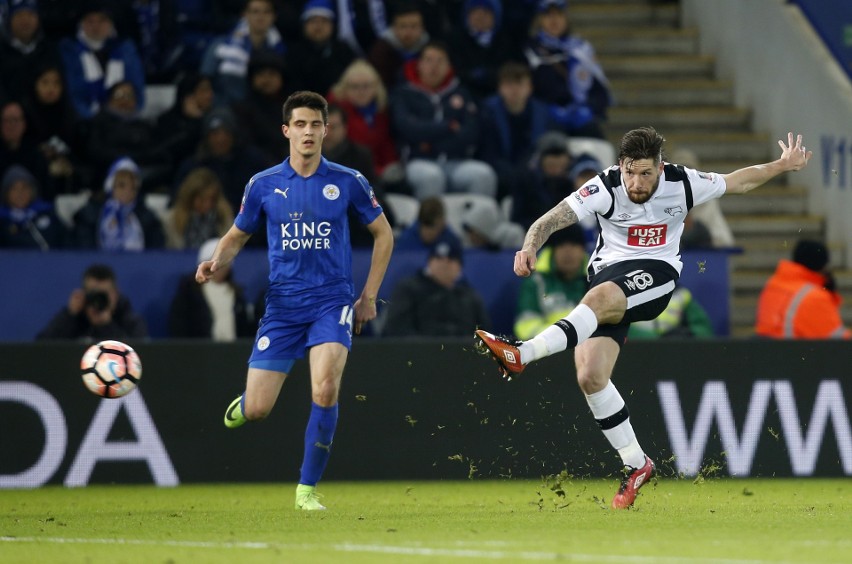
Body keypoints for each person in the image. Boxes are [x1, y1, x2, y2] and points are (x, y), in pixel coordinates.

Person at [474, 127, 812, 509]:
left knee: (598, 299)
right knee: (590, 376)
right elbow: (551, 219)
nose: (637, 183)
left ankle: (523, 354)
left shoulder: (683, 182)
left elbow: (738, 183)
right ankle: (637, 464)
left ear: (660, 168)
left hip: (656, 275)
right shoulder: (605, 185)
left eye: (646, 174)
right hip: (608, 278)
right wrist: (529, 246)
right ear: (621, 166)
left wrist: (782, 166)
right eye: (631, 172)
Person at [195, 91, 393, 511]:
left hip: (331, 302)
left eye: (315, 124)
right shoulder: (263, 184)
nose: (308, 132)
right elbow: (238, 234)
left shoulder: (348, 181)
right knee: (260, 409)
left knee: (325, 387)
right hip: (283, 308)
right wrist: (216, 261)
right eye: (299, 124)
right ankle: (246, 405)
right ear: (286, 130)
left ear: (326, 130)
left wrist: (368, 296)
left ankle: (306, 489)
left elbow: (384, 234)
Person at [390, 40, 497, 200]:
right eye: (429, 60)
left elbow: (470, 133)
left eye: (440, 61)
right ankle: (429, 225)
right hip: (418, 161)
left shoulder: (461, 93)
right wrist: (448, 127)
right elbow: (407, 128)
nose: (434, 66)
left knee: (483, 175)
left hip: (456, 162)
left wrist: (429, 144)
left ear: (449, 66)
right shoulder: (404, 94)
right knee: (432, 177)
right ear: (418, 64)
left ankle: (473, 225)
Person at [523, 0, 612, 138]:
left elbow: (599, 91)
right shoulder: (530, 51)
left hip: (580, 117)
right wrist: (545, 109)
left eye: (558, 14)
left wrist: (588, 108)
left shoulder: (581, 49)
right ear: (540, 19)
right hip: (546, 119)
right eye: (548, 15)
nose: (554, 20)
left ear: (566, 18)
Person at [383, 238, 490, 337]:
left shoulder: (470, 297)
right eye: (438, 258)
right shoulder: (408, 290)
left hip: (462, 355)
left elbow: (485, 337)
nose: (444, 264)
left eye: (450, 259)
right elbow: (397, 330)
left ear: (460, 267)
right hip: (418, 355)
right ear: (429, 262)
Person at [58, 0, 146, 120]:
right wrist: (97, 120)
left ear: (111, 23)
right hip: (83, 124)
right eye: (90, 21)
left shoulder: (126, 49)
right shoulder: (69, 51)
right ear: (81, 24)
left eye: (102, 20)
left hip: (123, 124)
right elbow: (73, 94)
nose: (96, 26)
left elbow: (137, 94)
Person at [755, 239, 851, 339]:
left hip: (770, 351)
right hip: (795, 352)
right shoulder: (814, 297)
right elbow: (838, 341)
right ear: (823, 266)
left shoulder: (774, 284)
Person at [326, 59, 401, 179]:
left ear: (376, 87)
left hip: (377, 174)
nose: (361, 92)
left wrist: (391, 165)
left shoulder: (380, 112)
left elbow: (385, 144)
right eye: (355, 87)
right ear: (344, 88)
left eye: (366, 86)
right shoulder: (335, 114)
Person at [199, 0, 284, 105]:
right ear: (244, 14)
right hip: (225, 106)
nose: (260, 16)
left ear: (274, 16)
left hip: (265, 109)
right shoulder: (221, 45)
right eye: (255, 11)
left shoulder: (280, 49)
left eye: (266, 12)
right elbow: (205, 78)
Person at [169, 238, 255, 340]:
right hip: (201, 352)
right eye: (213, 263)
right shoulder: (189, 292)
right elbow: (178, 326)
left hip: (233, 351)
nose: (218, 268)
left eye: (224, 263)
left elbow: (246, 328)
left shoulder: (237, 294)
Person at [72, 156, 165, 250]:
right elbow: (84, 252)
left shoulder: (148, 219)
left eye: (133, 187)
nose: (127, 191)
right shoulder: (90, 216)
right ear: (109, 186)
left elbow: (155, 254)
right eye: (121, 185)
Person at [36, 263, 148, 341]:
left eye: (103, 294)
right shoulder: (74, 317)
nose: (97, 300)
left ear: (116, 294)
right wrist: (69, 315)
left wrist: (106, 325)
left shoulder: (130, 321)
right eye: (93, 294)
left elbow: (137, 355)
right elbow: (43, 348)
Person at [514, 224, 588, 340]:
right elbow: (526, 325)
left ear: (583, 250)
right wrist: (561, 338)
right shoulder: (536, 283)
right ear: (553, 251)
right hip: (549, 352)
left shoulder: (598, 280)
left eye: (574, 245)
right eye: (561, 245)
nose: (567, 252)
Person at [285, 0, 357, 97]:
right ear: (304, 25)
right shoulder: (293, 54)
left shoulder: (344, 51)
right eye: (313, 21)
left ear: (332, 25)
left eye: (324, 21)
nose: (318, 26)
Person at [163, 166, 234, 249]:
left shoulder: (224, 219)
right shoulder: (171, 220)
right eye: (201, 199)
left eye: (211, 199)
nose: (207, 204)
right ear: (190, 197)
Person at [0, 164, 67, 249]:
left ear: (32, 191)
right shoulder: (2, 220)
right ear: (6, 193)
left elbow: (65, 242)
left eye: (24, 188)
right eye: (14, 189)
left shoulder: (48, 213)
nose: (19, 194)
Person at [368, 1, 430, 90]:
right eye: (403, 26)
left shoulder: (430, 50)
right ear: (394, 28)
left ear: (422, 28)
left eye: (414, 26)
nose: (408, 33)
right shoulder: (380, 52)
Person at [394, 195, 463, 252]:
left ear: (442, 224)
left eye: (433, 228)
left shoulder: (451, 240)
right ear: (419, 223)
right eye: (425, 227)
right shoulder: (406, 240)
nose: (428, 233)